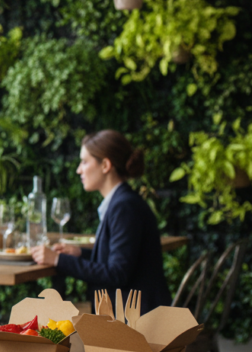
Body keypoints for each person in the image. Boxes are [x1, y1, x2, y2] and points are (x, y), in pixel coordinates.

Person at [31, 130, 170, 312]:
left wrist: (58, 260)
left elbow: (117, 274)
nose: (78, 170)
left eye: (84, 162)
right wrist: (80, 253)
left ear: (105, 165)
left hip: (136, 321)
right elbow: (119, 261)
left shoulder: (124, 207)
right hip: (133, 313)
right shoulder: (122, 202)